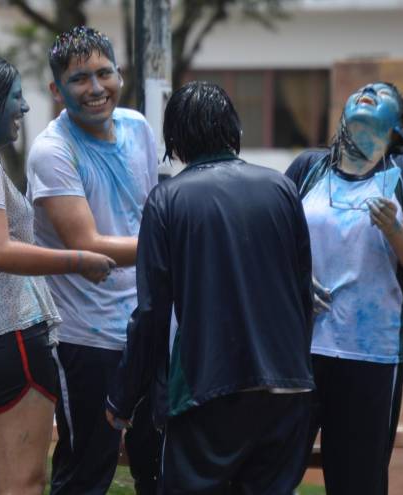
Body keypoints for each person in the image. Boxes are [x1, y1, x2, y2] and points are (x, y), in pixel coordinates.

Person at [106, 81, 316, 494]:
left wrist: (122, 398)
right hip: (287, 387)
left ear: (176, 139)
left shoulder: (167, 201)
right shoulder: (281, 189)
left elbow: (151, 312)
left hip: (207, 390)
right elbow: (302, 293)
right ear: (232, 129)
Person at [0, 54, 115, 494]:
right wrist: (78, 259)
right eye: (16, 97)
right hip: (9, 339)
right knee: (24, 483)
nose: (24, 108)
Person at [285, 81, 403, 494]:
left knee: (357, 481)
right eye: (362, 89)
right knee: (274, 471)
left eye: (382, 93)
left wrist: (395, 230)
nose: (369, 90)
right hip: (297, 349)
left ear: (399, 131)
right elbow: (272, 244)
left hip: (371, 355)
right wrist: (297, 280)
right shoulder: (308, 168)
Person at [25, 26, 161, 495]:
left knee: (159, 465)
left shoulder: (139, 128)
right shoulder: (52, 150)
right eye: (80, 78)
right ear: (56, 90)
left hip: (145, 325)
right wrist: (175, 243)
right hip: (84, 337)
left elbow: (148, 211)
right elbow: (88, 242)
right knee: (87, 471)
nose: (97, 88)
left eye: (105, 73)